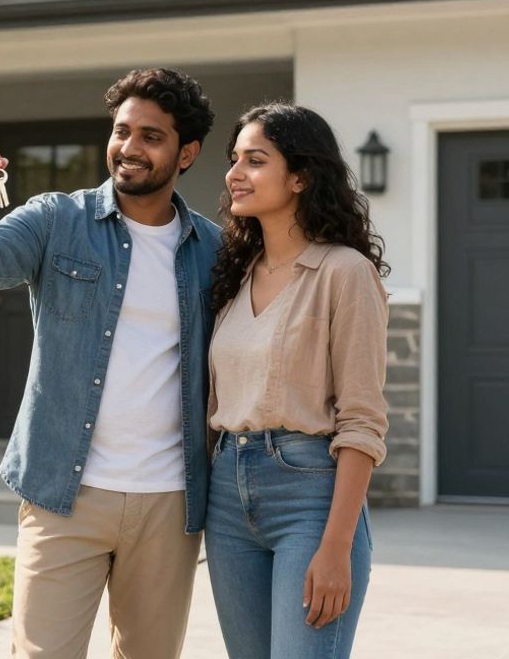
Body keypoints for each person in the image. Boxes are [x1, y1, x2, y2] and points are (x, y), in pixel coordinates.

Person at [0, 68, 220, 657]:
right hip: (65, 492)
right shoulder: (57, 219)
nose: (129, 148)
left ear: (186, 152)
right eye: (122, 131)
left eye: (151, 136)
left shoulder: (214, 250)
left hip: (170, 500)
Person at [204, 103, 389, 659]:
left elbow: (362, 420)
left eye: (255, 161)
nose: (235, 173)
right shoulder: (235, 276)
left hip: (311, 495)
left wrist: (336, 547)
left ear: (302, 176)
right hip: (227, 499)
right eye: (234, 160)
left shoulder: (344, 272)